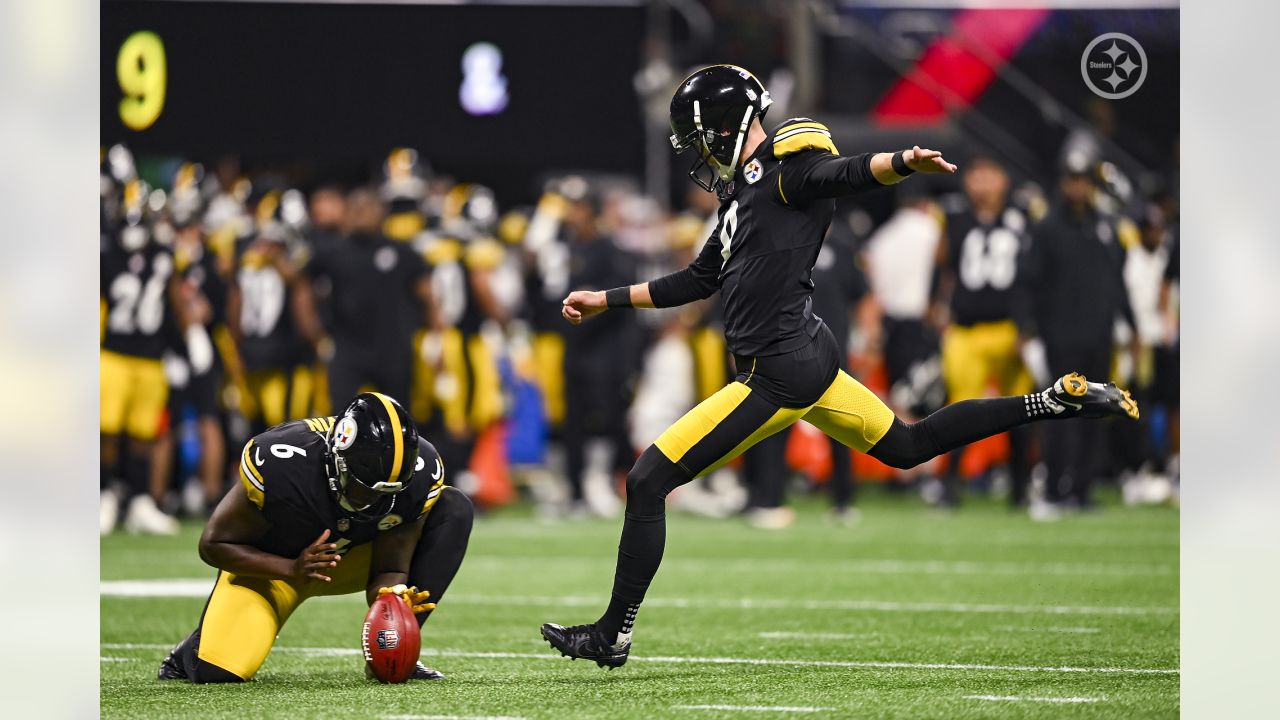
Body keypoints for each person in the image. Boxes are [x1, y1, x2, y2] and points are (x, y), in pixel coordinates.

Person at [539, 64, 1138, 668]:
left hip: (774, 370)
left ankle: (612, 633)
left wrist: (901, 160)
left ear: (726, 127)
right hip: (806, 353)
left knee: (646, 481)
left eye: (701, 138)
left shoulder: (785, 169)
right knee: (908, 444)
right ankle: (1053, 400)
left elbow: (844, 172)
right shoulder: (746, 190)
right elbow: (698, 278)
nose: (698, 153)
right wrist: (607, 298)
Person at [157, 392, 473, 683]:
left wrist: (391, 598)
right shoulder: (283, 462)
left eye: (386, 494)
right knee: (219, 672)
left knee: (453, 509)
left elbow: (388, 568)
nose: (373, 503)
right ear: (338, 460)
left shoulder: (418, 475)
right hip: (272, 571)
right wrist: (290, 568)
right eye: (364, 488)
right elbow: (214, 544)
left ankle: (391, 652)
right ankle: (188, 652)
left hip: (347, 559)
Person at [1019, 152, 1140, 517]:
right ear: (1062, 182)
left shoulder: (1107, 226)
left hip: (1098, 336)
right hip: (1060, 337)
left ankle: (1082, 490)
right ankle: (1054, 490)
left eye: (1083, 179)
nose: (1077, 186)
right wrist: (1027, 330)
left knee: (1095, 415)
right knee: (1060, 414)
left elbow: (1117, 283)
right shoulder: (1048, 228)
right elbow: (1027, 283)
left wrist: (1131, 326)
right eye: (1071, 178)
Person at [934, 155, 1035, 508]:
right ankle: (949, 486)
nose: (982, 181)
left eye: (990, 173)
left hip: (1009, 328)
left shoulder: (1024, 215)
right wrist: (936, 306)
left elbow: (1033, 275)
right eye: (976, 174)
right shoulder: (954, 215)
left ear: (1004, 179)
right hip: (966, 328)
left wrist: (1029, 325)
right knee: (958, 409)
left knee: (1022, 408)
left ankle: (1020, 487)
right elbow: (942, 265)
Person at [100, 178, 185, 535]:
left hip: (151, 355)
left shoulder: (163, 254)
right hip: (113, 352)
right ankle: (103, 496)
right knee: (105, 430)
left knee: (142, 433)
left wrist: (184, 343)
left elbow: (174, 300)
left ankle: (139, 501)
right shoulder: (105, 253)